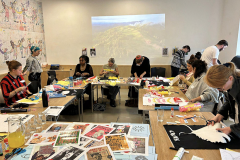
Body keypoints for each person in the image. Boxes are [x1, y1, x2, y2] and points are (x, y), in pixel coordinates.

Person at [205, 62, 240, 136]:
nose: (218, 90)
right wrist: (219, 115)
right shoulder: (230, 84)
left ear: (230, 78)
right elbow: (229, 101)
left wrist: (231, 129)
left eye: (220, 87)